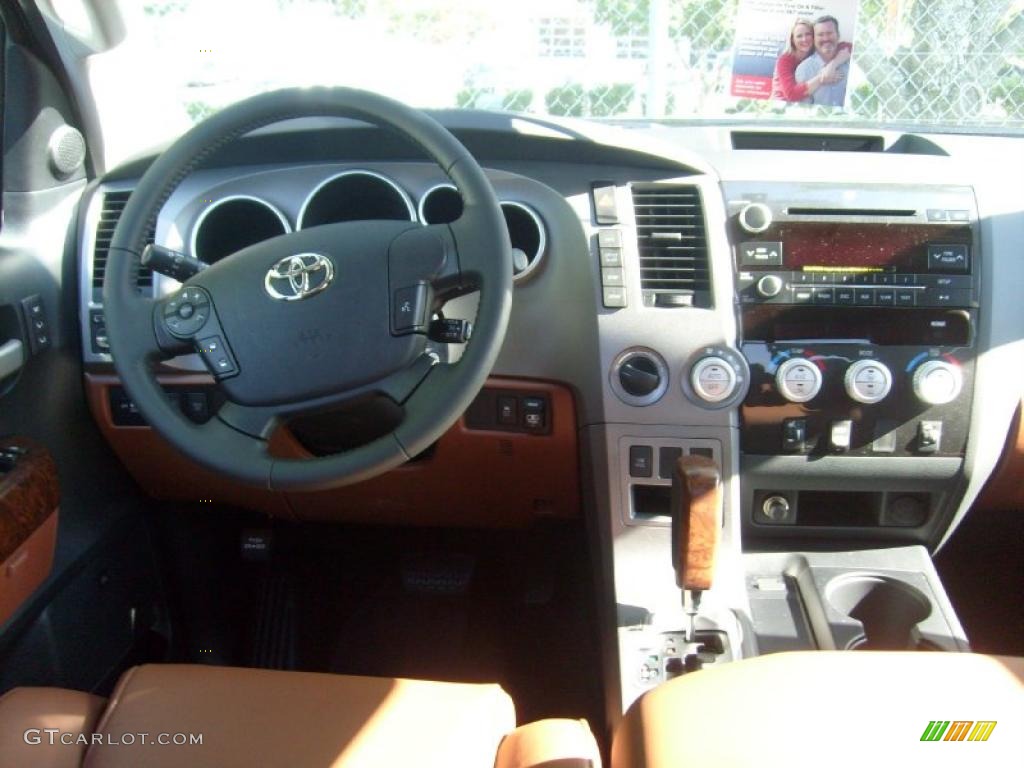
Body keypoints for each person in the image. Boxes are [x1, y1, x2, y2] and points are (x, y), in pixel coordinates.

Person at [771, 18, 845, 102]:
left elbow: (847, 46)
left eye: (808, 34)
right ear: (793, 40)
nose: (804, 39)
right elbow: (792, 94)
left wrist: (833, 65)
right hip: (781, 105)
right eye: (799, 36)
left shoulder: (814, 52)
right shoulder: (785, 60)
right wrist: (822, 77)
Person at [794, 15, 852, 107]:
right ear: (814, 39)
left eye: (829, 33)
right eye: (820, 34)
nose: (825, 38)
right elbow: (804, 109)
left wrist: (833, 65)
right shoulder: (804, 69)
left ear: (838, 35)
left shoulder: (852, 64)